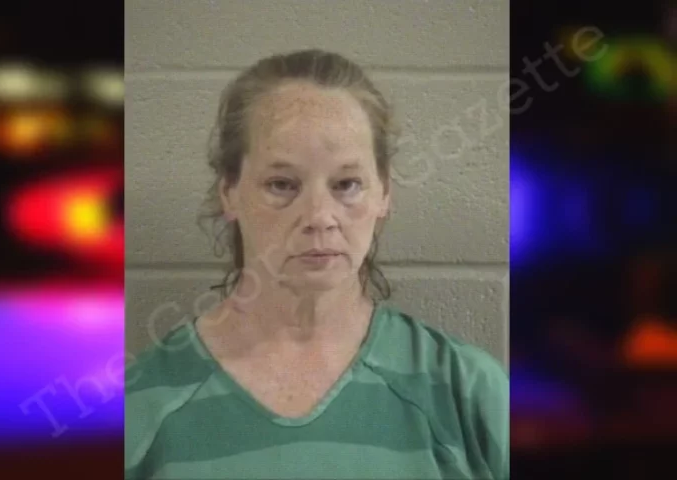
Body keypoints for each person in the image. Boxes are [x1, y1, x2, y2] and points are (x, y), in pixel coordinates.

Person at [125, 49, 509, 480]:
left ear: (384, 193)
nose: (319, 216)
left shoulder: (470, 394)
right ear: (229, 193)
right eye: (282, 184)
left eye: (347, 184)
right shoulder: (139, 408)